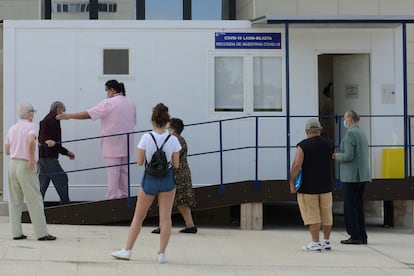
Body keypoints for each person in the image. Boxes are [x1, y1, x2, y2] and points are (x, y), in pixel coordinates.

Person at [111, 103, 181, 263]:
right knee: (165, 218)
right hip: (167, 179)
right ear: (167, 121)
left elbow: (140, 162)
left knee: (138, 217)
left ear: (152, 120)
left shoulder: (146, 138)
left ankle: (127, 250)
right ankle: (161, 254)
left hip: (150, 179)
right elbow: (176, 165)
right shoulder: (173, 140)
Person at [57, 80, 137, 199]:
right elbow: (133, 122)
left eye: (106, 91)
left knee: (113, 174)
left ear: (112, 90)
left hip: (112, 145)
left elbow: (89, 114)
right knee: (124, 173)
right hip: (127, 143)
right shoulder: (131, 103)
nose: (106, 94)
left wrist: (69, 116)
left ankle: (111, 199)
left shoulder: (108, 103)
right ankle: (125, 198)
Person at [5, 102, 56, 241]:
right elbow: (31, 141)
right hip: (25, 165)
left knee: (15, 200)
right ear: (29, 114)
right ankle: (41, 233)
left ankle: (16, 233)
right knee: (34, 199)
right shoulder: (32, 126)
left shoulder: (12, 128)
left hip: (12, 164)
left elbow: (7, 150)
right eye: (33, 112)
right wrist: (32, 160)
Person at [289, 118, 334, 252]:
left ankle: (315, 243)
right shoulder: (330, 143)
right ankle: (326, 241)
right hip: (326, 185)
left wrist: (292, 181)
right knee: (326, 214)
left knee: (312, 215)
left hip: (308, 187)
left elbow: (297, 165)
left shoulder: (303, 145)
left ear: (306, 131)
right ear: (320, 130)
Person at [151, 117, 197, 235]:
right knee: (181, 202)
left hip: (174, 174)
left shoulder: (174, 140)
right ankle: (190, 225)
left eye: (168, 127)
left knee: (165, 200)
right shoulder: (181, 140)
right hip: (183, 174)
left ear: (173, 129)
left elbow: (169, 157)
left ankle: (163, 227)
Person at [333, 110, 370, 245]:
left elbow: (348, 156)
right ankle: (362, 235)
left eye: (344, 119)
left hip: (351, 176)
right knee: (358, 206)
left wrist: (337, 156)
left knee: (350, 206)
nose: (344, 121)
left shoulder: (350, 134)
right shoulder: (361, 132)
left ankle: (354, 236)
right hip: (363, 175)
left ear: (349, 119)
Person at [39, 101, 75, 205]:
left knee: (43, 183)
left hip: (42, 157)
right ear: (58, 109)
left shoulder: (46, 119)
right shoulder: (53, 120)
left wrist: (66, 152)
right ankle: (65, 205)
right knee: (62, 179)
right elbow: (53, 141)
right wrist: (67, 153)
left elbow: (48, 140)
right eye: (63, 112)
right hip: (49, 157)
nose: (63, 115)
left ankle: (36, 206)